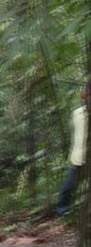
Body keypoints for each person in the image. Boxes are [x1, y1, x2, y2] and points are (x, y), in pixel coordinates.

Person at [56, 86, 89, 216]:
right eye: (86, 96)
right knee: (67, 187)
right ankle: (62, 211)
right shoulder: (77, 113)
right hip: (77, 157)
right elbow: (74, 136)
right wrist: (71, 155)